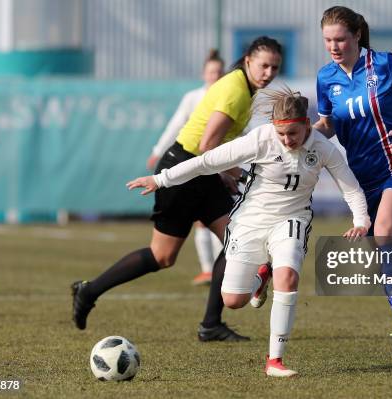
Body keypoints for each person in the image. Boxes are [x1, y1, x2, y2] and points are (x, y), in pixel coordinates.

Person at [126, 86, 371, 377]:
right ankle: (260, 277)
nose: (286, 140)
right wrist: (161, 178)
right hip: (250, 220)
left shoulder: (323, 148)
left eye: (292, 133)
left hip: (292, 219)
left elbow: (350, 186)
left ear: (306, 125)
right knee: (233, 300)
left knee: (288, 275)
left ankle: (275, 360)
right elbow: (206, 162)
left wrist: (361, 219)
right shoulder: (261, 139)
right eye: (281, 134)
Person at [71, 37, 283, 343]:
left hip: (200, 171)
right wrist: (228, 172)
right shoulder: (236, 90)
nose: (269, 72)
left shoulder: (245, 87)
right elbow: (206, 145)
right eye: (264, 65)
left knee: (237, 240)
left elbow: (216, 145)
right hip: (184, 169)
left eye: (275, 67)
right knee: (163, 256)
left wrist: (228, 172)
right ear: (248, 60)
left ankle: (211, 324)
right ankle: (88, 290)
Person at [314, 6, 392, 368]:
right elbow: (328, 126)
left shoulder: (385, 64)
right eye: (327, 40)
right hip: (362, 179)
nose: (334, 46)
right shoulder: (326, 78)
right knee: (386, 254)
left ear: (356, 35)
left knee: (384, 232)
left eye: (340, 39)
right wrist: (302, 136)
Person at [146, 49, 226, 286]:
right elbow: (176, 124)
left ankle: (220, 270)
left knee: (218, 218)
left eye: (220, 71)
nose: (215, 75)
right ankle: (208, 270)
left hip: (218, 161)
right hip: (192, 162)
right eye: (212, 71)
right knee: (203, 220)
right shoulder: (193, 97)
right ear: (204, 74)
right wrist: (158, 150)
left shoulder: (228, 96)